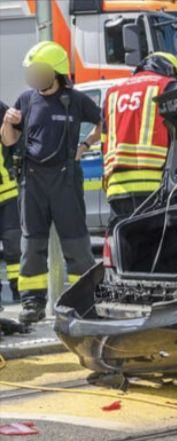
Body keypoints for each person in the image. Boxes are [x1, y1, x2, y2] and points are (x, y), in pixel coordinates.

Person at [0, 41, 102, 323]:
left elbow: (102, 122)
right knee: (32, 246)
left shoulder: (76, 99)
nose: (33, 76)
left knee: (77, 245)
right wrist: (8, 123)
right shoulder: (26, 100)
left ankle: (85, 302)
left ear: (55, 72)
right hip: (32, 181)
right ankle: (32, 304)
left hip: (65, 180)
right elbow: (9, 140)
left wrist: (85, 145)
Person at [103, 52, 177, 221]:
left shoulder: (113, 92)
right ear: (172, 71)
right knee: (160, 246)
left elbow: (104, 141)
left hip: (117, 189)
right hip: (155, 187)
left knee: (125, 244)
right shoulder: (168, 86)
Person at [0, 101, 21, 302]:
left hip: (7, 191)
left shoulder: (1, 109)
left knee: (14, 244)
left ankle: (19, 290)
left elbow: (14, 137)